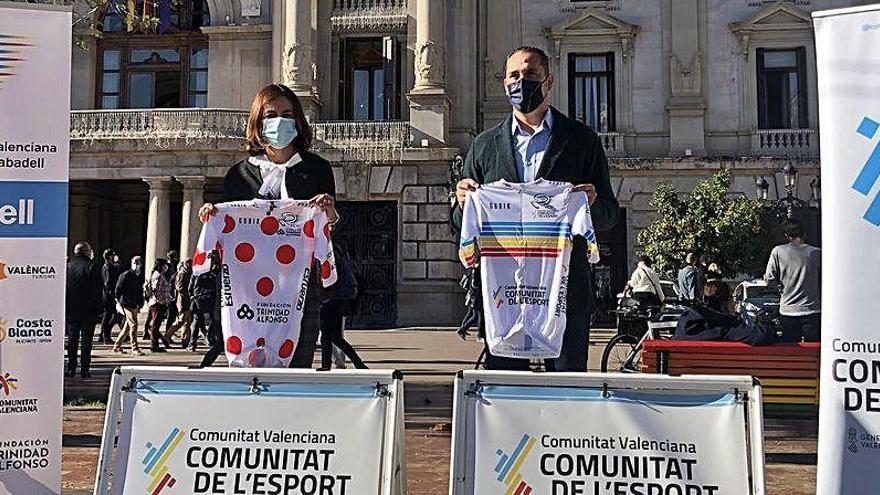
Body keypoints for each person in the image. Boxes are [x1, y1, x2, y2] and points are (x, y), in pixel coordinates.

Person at [450, 46, 619, 372]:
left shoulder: (582, 140)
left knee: (567, 390)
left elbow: (609, 215)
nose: (521, 82)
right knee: (504, 391)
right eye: (514, 75)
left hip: (564, 294)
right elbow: (460, 225)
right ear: (504, 83)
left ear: (548, 81)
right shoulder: (485, 145)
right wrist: (461, 203)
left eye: (530, 75)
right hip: (503, 296)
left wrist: (591, 205)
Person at [198, 83, 338, 368]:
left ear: (298, 121)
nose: (280, 121)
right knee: (248, 374)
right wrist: (212, 217)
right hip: (245, 294)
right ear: (258, 123)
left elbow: (329, 231)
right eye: (271, 114)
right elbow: (226, 235)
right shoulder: (238, 174)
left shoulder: (317, 169)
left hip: (298, 291)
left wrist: (330, 214)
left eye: (287, 114)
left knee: (295, 371)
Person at [764, 218, 821, 342]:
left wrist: (780, 287)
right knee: (813, 349)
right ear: (804, 234)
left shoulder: (778, 252)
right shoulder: (816, 253)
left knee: (790, 349)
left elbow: (769, 279)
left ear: (787, 236)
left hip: (788, 310)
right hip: (812, 309)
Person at [674, 280, 776, 345]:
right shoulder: (723, 325)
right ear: (723, 302)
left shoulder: (684, 321)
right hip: (719, 376)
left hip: (680, 376)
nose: (734, 301)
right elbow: (760, 336)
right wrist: (767, 325)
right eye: (731, 297)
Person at [318, 243, 367, 370]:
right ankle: (359, 364)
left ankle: (326, 366)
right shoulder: (340, 255)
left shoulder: (330, 258)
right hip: (339, 299)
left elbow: (329, 279)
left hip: (332, 299)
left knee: (327, 336)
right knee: (336, 337)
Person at [65, 242, 103, 378]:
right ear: (87, 252)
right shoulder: (93, 266)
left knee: (72, 340)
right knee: (87, 341)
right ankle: (85, 369)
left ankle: (71, 367)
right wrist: (99, 309)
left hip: (71, 310)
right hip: (89, 311)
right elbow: (98, 290)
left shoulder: (67, 267)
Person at [194, 252, 223, 365]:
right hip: (219, 313)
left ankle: (205, 364)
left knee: (220, 343)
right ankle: (205, 364)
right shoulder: (217, 275)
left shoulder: (216, 275)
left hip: (218, 313)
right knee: (220, 344)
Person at [113, 256, 145, 355]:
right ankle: (135, 348)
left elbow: (139, 291)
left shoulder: (138, 276)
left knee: (128, 326)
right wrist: (119, 301)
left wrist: (140, 303)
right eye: (134, 262)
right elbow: (118, 289)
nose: (136, 265)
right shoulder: (125, 275)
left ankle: (117, 345)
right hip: (127, 303)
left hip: (134, 303)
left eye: (138, 263)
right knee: (133, 325)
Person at [144, 258, 173, 353]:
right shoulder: (158, 275)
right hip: (157, 303)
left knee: (156, 324)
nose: (166, 267)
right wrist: (162, 301)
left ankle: (155, 344)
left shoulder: (157, 274)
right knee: (155, 325)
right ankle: (154, 345)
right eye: (165, 265)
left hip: (157, 302)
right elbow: (156, 290)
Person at [165, 258, 193, 347]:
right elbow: (179, 287)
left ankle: (185, 341)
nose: (190, 264)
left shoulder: (189, 273)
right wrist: (189, 292)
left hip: (188, 300)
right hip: (183, 300)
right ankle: (167, 336)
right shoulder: (182, 274)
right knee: (181, 320)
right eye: (188, 263)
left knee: (187, 321)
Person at [99, 248, 123, 343]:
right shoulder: (108, 267)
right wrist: (114, 295)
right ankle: (106, 336)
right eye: (113, 255)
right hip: (109, 295)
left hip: (109, 294)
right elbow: (108, 282)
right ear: (109, 256)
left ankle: (103, 335)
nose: (114, 256)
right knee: (108, 316)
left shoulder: (110, 266)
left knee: (112, 315)